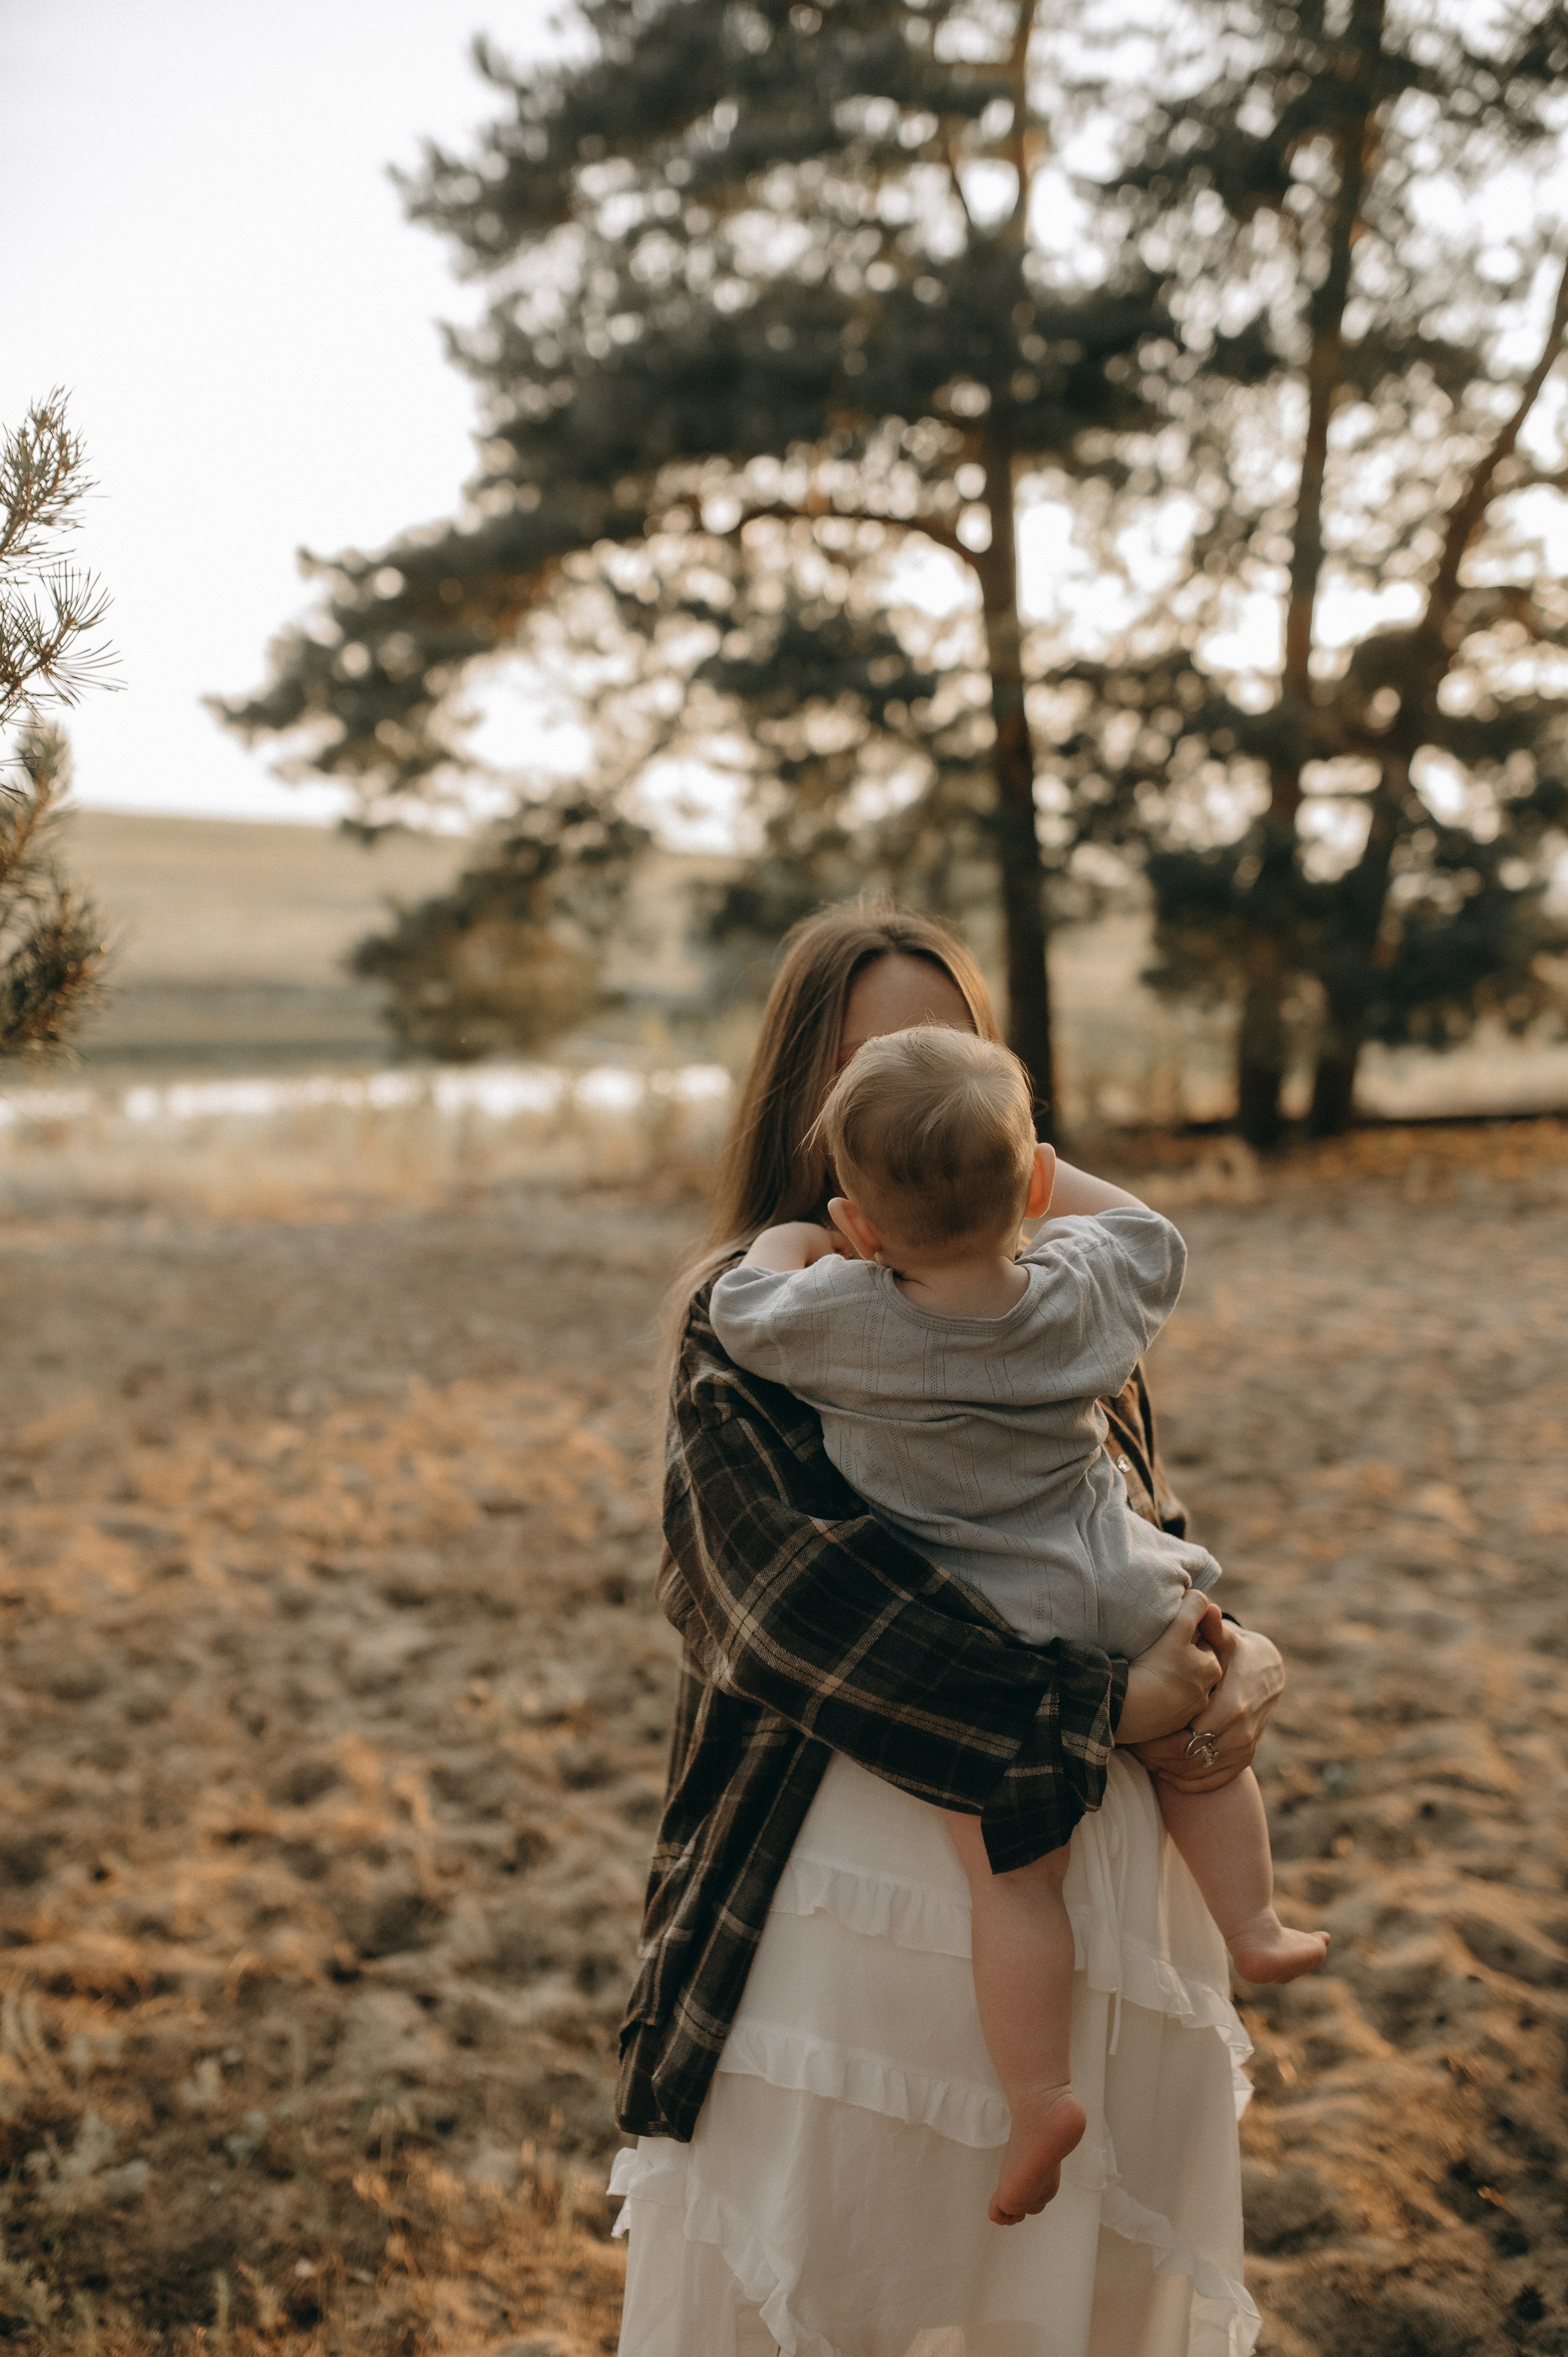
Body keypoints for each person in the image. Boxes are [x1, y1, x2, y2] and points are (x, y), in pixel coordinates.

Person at [612, 903, 1285, 2357]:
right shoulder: (764, 1323)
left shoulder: (1038, 1296)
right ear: (809, 1093)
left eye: (951, 1048)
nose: (911, 1078)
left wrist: (1237, 1653)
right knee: (872, 2288)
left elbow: (1115, 1529)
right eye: (872, 1055)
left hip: (1095, 1879)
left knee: (1072, 2309)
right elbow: (787, 1610)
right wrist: (1105, 1704)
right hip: (861, 1875)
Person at [707, 1024, 1327, 2232]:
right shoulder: (1082, 1293)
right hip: (1112, 1577)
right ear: (1033, 1187)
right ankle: (1250, 1922)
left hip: (986, 1625)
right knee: (1200, 1749)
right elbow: (1148, 1227)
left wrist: (802, 1233)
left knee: (1013, 1876)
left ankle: (1037, 2094)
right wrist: (1038, 1167)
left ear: (861, 1225)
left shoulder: (843, 1315)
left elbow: (743, 1299)